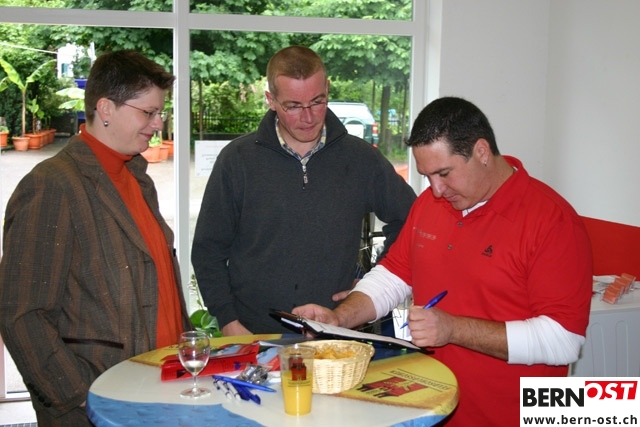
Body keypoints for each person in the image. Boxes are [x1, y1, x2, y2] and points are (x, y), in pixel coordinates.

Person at [293, 97, 593, 426]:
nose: (436, 190)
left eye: (444, 173)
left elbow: (563, 341)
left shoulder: (552, 220)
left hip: (511, 415)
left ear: (481, 152)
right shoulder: (430, 204)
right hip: (433, 409)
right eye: (427, 176)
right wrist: (338, 319)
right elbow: (393, 276)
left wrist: (452, 329)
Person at [0, 50, 190, 427]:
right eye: (148, 112)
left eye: (160, 112)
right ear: (105, 109)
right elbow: (22, 315)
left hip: (156, 394)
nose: (158, 123)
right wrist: (81, 400)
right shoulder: (52, 186)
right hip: (95, 407)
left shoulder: (138, 178)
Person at [191, 45, 416, 336]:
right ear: (271, 100)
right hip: (252, 333)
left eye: (317, 102)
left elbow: (412, 222)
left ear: (327, 89)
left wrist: (373, 287)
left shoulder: (361, 159)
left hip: (336, 332)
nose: (308, 117)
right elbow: (208, 251)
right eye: (294, 106)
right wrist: (228, 321)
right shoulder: (237, 160)